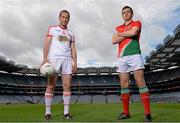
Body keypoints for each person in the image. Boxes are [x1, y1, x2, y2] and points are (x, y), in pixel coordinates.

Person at [112, 6, 152, 122]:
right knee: (124, 84)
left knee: (140, 82)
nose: (125, 14)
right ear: (122, 15)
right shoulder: (117, 27)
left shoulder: (137, 23)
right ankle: (126, 113)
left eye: (128, 12)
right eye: (123, 12)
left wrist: (120, 34)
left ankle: (147, 113)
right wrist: (126, 33)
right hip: (121, 57)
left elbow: (134, 32)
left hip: (135, 55)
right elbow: (113, 40)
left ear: (132, 13)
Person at [40, 10, 77, 120]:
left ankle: (66, 113)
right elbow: (47, 43)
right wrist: (45, 59)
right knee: (51, 85)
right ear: (59, 18)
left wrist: (75, 61)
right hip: (54, 59)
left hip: (67, 60)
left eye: (67, 17)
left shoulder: (71, 34)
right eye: (63, 17)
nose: (65, 19)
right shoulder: (52, 29)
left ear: (68, 19)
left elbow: (73, 49)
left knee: (67, 86)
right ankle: (48, 113)